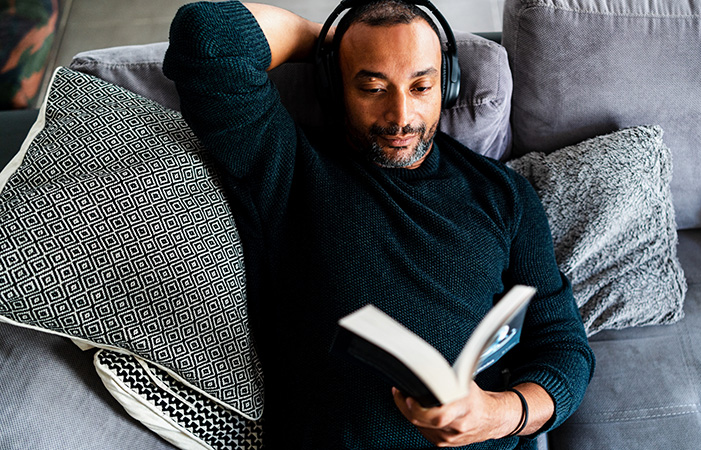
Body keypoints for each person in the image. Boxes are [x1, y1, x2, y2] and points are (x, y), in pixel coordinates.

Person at [163, 1, 595, 448]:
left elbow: (563, 345)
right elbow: (208, 35)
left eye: (421, 85)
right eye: (372, 87)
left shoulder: (504, 195)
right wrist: (339, 39)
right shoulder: (286, 163)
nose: (401, 116)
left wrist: (502, 414)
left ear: (447, 85)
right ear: (335, 87)